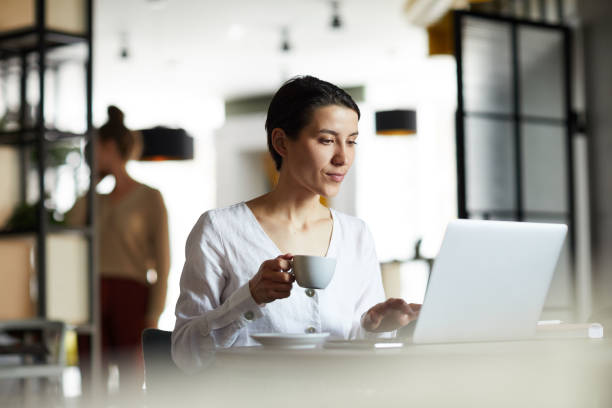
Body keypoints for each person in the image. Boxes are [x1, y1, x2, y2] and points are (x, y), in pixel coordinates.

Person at [171, 76, 420, 373]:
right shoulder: (220, 230)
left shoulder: (356, 234)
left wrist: (377, 326)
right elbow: (185, 353)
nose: (342, 157)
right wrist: (249, 297)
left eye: (351, 141)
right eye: (327, 140)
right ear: (281, 142)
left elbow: (357, 344)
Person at [67, 106, 170, 394]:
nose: (90, 157)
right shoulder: (93, 199)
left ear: (109, 147)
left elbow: (163, 261)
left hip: (132, 295)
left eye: (94, 149)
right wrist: (92, 185)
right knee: (90, 378)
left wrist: (154, 312)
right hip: (91, 296)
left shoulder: (150, 197)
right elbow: (70, 227)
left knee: (130, 382)